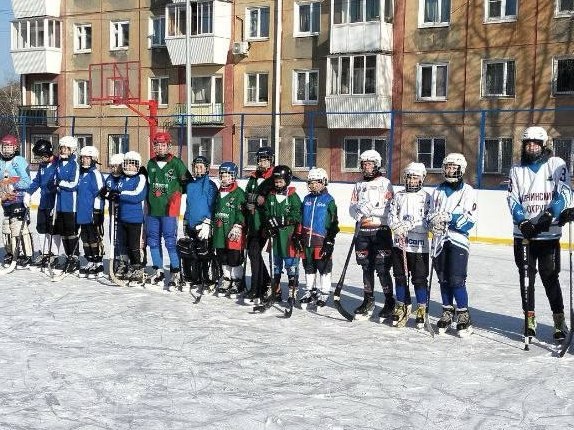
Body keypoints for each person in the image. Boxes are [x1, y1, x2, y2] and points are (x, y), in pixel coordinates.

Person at [507, 126, 571, 342]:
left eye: (535, 143)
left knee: (550, 277)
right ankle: (529, 319)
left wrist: (549, 215)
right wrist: (522, 220)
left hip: (549, 234)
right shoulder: (516, 169)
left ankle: (559, 320)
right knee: (526, 279)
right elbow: (512, 198)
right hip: (523, 235)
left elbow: (564, 192)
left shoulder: (555, 165)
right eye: (527, 143)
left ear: (544, 145)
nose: (531, 146)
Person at [427, 153, 477, 336]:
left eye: (453, 167)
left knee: (456, 280)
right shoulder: (437, 191)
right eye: (447, 167)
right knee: (443, 279)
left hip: (458, 240)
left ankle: (463, 314)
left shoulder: (468, 191)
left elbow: (470, 219)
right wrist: (432, 222)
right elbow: (429, 214)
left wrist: (449, 218)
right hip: (440, 240)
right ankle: (447, 311)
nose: (450, 170)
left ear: (461, 169)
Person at [348, 149, 395, 320]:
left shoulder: (385, 183)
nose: (367, 167)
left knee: (382, 269)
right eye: (364, 164)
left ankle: (389, 302)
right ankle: (368, 300)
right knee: (366, 267)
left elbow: (390, 208)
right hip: (363, 232)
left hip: (380, 231)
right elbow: (351, 208)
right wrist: (358, 212)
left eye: (370, 164)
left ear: (377, 165)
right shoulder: (358, 185)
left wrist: (372, 210)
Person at [145, 131, 191, 290]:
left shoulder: (176, 163)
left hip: (169, 210)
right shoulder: (150, 163)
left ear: (168, 146)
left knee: (170, 242)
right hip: (152, 210)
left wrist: (176, 195)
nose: (159, 148)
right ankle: (158, 269)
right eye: (157, 145)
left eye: (162, 145)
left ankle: (175, 271)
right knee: (153, 241)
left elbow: (188, 183)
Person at [389, 162, 431, 328]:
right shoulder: (398, 196)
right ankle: (401, 304)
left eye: (415, 178)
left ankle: (422, 307)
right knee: (400, 277)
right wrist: (396, 226)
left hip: (419, 246)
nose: (412, 180)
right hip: (400, 245)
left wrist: (410, 225)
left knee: (419, 279)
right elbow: (392, 215)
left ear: (421, 179)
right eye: (409, 177)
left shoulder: (426, 197)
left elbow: (428, 222)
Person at [297, 167, 339, 309]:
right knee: (308, 265)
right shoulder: (306, 199)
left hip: (321, 240)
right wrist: (298, 234)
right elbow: (301, 218)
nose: (313, 185)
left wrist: (330, 239)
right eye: (311, 182)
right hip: (307, 240)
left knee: (323, 266)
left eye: (317, 182)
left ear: (324, 182)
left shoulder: (329, 200)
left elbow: (334, 223)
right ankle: (310, 290)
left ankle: (324, 291)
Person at [262, 165, 302, 303]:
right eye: (276, 181)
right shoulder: (271, 196)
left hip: (288, 237)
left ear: (287, 180)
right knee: (276, 265)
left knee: (291, 265)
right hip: (275, 237)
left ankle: (292, 292)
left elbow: (297, 215)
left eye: (281, 181)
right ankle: (276, 291)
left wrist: (284, 220)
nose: (278, 184)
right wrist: (268, 224)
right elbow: (267, 212)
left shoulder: (293, 196)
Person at [179, 155, 218, 290]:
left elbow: (213, 205)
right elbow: (189, 205)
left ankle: (208, 278)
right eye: (196, 167)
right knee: (191, 252)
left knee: (204, 253)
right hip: (192, 224)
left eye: (201, 167)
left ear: (207, 168)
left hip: (204, 226)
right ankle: (196, 278)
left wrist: (208, 222)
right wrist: (185, 220)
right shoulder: (190, 185)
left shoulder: (211, 186)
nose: (198, 169)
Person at [244, 146, 276, 302]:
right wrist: (247, 203)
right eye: (260, 160)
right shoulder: (253, 177)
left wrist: (259, 202)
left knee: (255, 253)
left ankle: (258, 288)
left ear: (271, 160)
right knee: (252, 253)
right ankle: (264, 282)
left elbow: (272, 200)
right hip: (252, 221)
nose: (262, 163)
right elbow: (247, 196)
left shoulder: (274, 177)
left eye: (265, 159)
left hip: (264, 223)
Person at [212, 162, 246, 298]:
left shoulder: (239, 193)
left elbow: (242, 212)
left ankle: (237, 280)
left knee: (234, 256)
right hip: (220, 230)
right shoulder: (218, 192)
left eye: (228, 175)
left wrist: (238, 225)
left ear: (234, 176)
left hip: (233, 231)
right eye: (223, 175)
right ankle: (226, 279)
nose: (225, 178)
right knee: (222, 255)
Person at [0, 134, 33, 268]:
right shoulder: (1, 162)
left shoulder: (19, 161)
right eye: (5, 147)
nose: (7, 150)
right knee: (6, 227)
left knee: (18, 226)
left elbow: (26, 181)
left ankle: (27, 255)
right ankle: (12, 253)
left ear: (15, 148)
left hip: (18, 198)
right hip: (6, 199)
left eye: (9, 147)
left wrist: (11, 182)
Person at [26, 139, 60, 269]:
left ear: (48, 153)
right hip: (43, 202)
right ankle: (45, 252)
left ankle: (54, 255)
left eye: (42, 156)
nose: (41, 159)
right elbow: (37, 181)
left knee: (53, 229)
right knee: (41, 228)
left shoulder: (58, 164)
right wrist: (29, 193)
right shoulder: (42, 166)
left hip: (54, 202)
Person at [116, 151, 147, 285]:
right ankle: (126, 265)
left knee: (134, 246)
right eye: (127, 163)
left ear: (138, 166)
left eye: (132, 164)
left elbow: (137, 195)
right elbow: (115, 191)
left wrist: (121, 195)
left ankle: (138, 268)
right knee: (123, 244)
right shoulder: (122, 179)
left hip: (135, 219)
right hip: (122, 217)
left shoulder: (140, 178)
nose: (129, 166)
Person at [76, 146, 105, 278]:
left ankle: (98, 262)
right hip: (82, 212)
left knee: (94, 238)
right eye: (82, 158)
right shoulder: (81, 174)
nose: (84, 160)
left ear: (93, 159)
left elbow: (100, 193)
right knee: (85, 238)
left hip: (92, 212)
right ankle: (89, 260)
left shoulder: (96, 174)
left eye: (87, 158)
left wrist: (97, 212)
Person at [53, 136, 81, 273]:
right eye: (62, 148)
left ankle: (74, 257)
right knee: (63, 232)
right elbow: (56, 179)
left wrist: (60, 184)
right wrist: (54, 183)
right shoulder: (58, 164)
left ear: (72, 150)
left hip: (70, 204)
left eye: (66, 148)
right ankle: (68, 255)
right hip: (59, 204)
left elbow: (74, 184)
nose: (63, 151)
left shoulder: (74, 165)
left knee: (71, 232)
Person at [101, 153, 129, 278]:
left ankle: (123, 262)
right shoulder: (110, 178)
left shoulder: (124, 178)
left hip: (123, 214)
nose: (114, 169)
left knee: (121, 239)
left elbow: (123, 193)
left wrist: (117, 195)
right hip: (112, 213)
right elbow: (107, 190)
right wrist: (104, 193)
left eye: (116, 166)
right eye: (112, 166)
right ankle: (115, 260)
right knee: (113, 238)